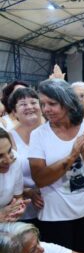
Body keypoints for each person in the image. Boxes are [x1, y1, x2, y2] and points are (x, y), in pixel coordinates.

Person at [28, 79, 84, 253]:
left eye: (52, 103)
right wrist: (71, 156)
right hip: (54, 217)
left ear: (68, 103)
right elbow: (39, 178)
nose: (46, 109)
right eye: (43, 104)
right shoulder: (39, 135)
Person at [8, 88, 44, 224]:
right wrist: (27, 191)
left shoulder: (53, 129)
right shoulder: (9, 138)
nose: (29, 107)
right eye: (23, 104)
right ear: (14, 112)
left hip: (55, 204)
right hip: (25, 210)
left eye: (33, 102)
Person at [0, 128, 29, 222]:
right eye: (0, 156)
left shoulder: (15, 160)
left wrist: (17, 207)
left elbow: (17, 197)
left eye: (9, 151)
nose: (8, 160)